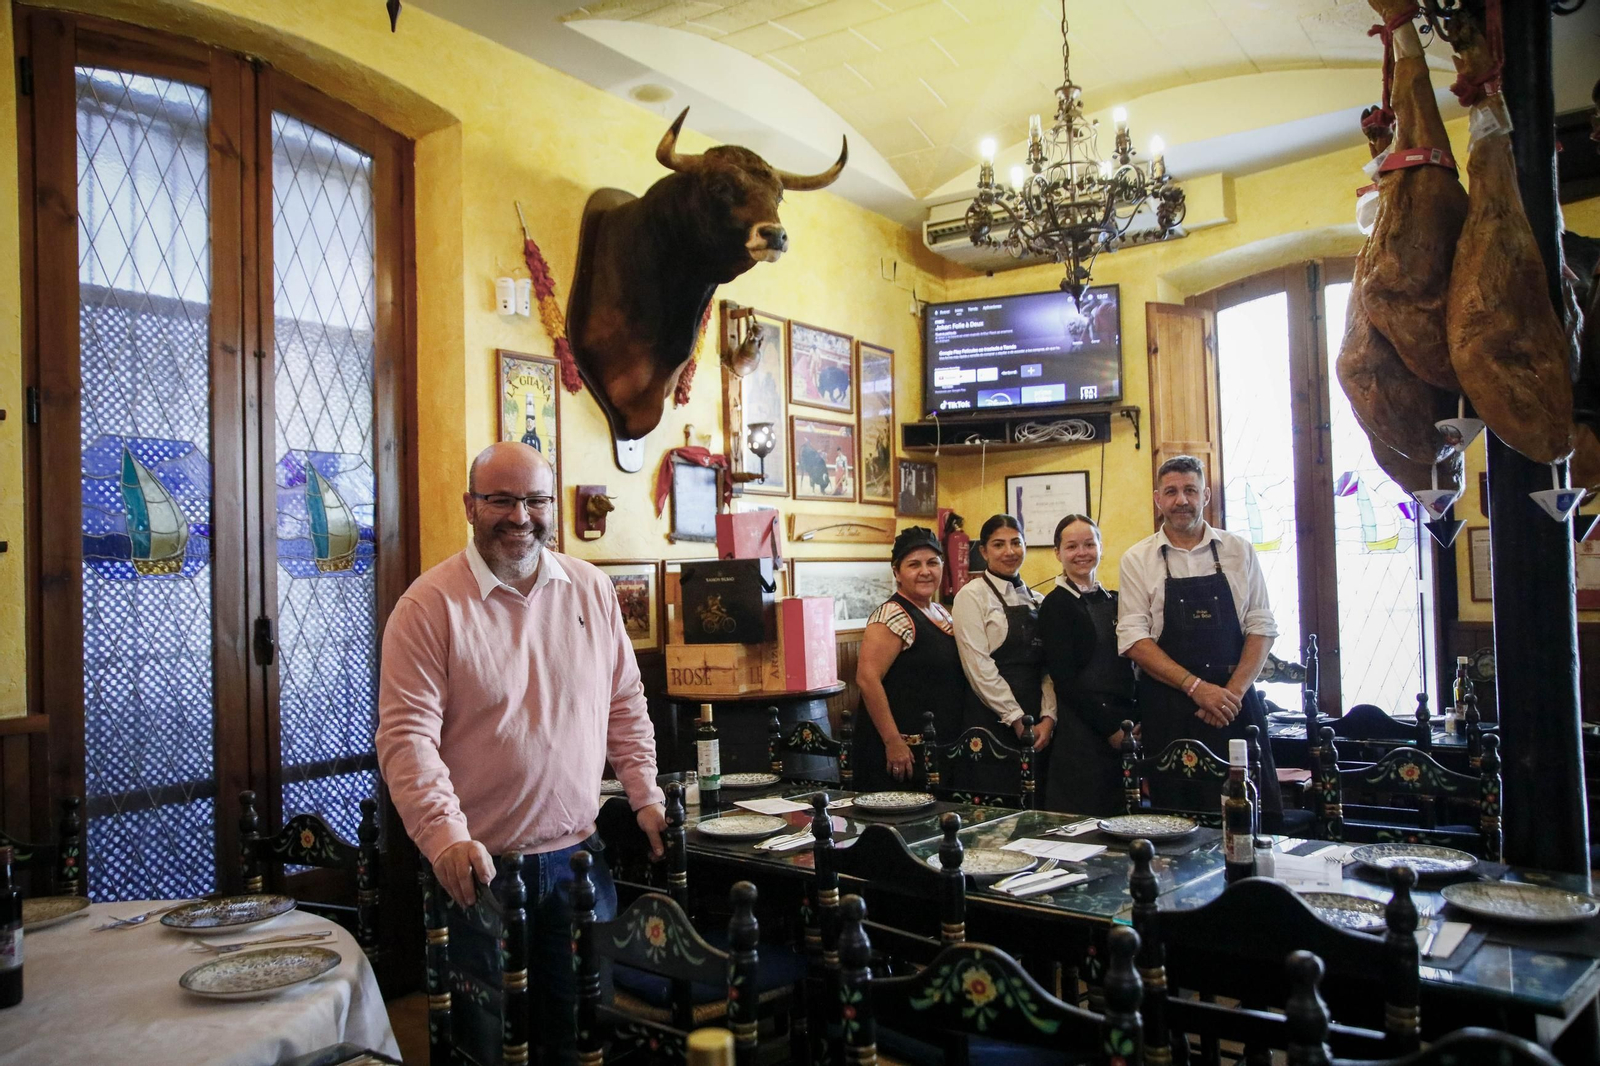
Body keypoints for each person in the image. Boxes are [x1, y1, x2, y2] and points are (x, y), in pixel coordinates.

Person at [377, 441, 667, 1065]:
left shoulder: (592, 589)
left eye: (535, 500)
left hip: (579, 864)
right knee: (483, 1048)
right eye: (501, 500)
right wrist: (444, 836)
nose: (520, 516)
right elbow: (407, 737)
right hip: (477, 875)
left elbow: (624, 700)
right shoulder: (428, 606)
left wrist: (644, 793)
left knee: (581, 1041)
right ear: (470, 506)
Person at [1116, 455, 1281, 817]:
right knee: (1177, 822)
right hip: (1170, 708)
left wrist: (1231, 693)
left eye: (1190, 490)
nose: (1182, 500)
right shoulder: (1136, 559)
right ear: (1157, 499)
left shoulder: (1239, 550)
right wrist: (1197, 688)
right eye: (1171, 492)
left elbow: (1261, 626)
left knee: (1250, 818)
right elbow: (1133, 640)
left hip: (1234, 706)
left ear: (1206, 495)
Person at [853, 527, 968, 791]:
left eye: (932, 563)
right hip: (903, 755)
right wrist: (893, 741)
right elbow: (867, 679)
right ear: (897, 572)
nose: (925, 571)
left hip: (936, 747)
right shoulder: (891, 615)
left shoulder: (940, 611)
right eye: (914, 565)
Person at [1039, 514, 1137, 816]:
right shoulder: (1056, 605)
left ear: (1100, 548)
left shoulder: (1116, 600)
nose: (1081, 553)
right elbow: (1065, 680)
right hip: (1081, 732)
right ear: (1058, 553)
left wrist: (1133, 722)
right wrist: (1110, 729)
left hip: (1123, 727)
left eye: (1089, 544)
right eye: (1071, 547)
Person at [952, 515, 1057, 786]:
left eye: (1016, 543)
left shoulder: (1037, 600)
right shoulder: (971, 596)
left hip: (1036, 723)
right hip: (990, 720)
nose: (1009, 551)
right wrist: (1015, 718)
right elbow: (978, 667)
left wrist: (1048, 717)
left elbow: (1048, 668)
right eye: (999, 544)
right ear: (984, 551)